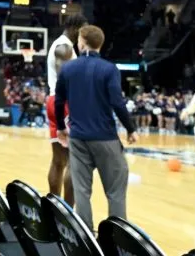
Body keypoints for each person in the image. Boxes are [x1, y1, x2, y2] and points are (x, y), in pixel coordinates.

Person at [55, 24, 136, 231]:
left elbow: (58, 101)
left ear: (82, 42)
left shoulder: (68, 68)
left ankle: (85, 236)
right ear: (100, 44)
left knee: (81, 191)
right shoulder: (109, 69)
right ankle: (117, 237)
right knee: (115, 191)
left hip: (78, 137)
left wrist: (61, 128)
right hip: (105, 138)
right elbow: (117, 103)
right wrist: (130, 128)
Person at [45, 43, 75, 206]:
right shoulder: (70, 65)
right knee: (73, 163)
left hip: (52, 101)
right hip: (67, 102)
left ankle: (53, 205)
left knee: (57, 161)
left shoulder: (56, 62)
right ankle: (68, 212)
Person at [47, 15, 86, 95]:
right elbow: (63, 79)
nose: (85, 34)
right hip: (61, 99)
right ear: (74, 28)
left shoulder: (66, 45)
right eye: (83, 30)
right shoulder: (63, 45)